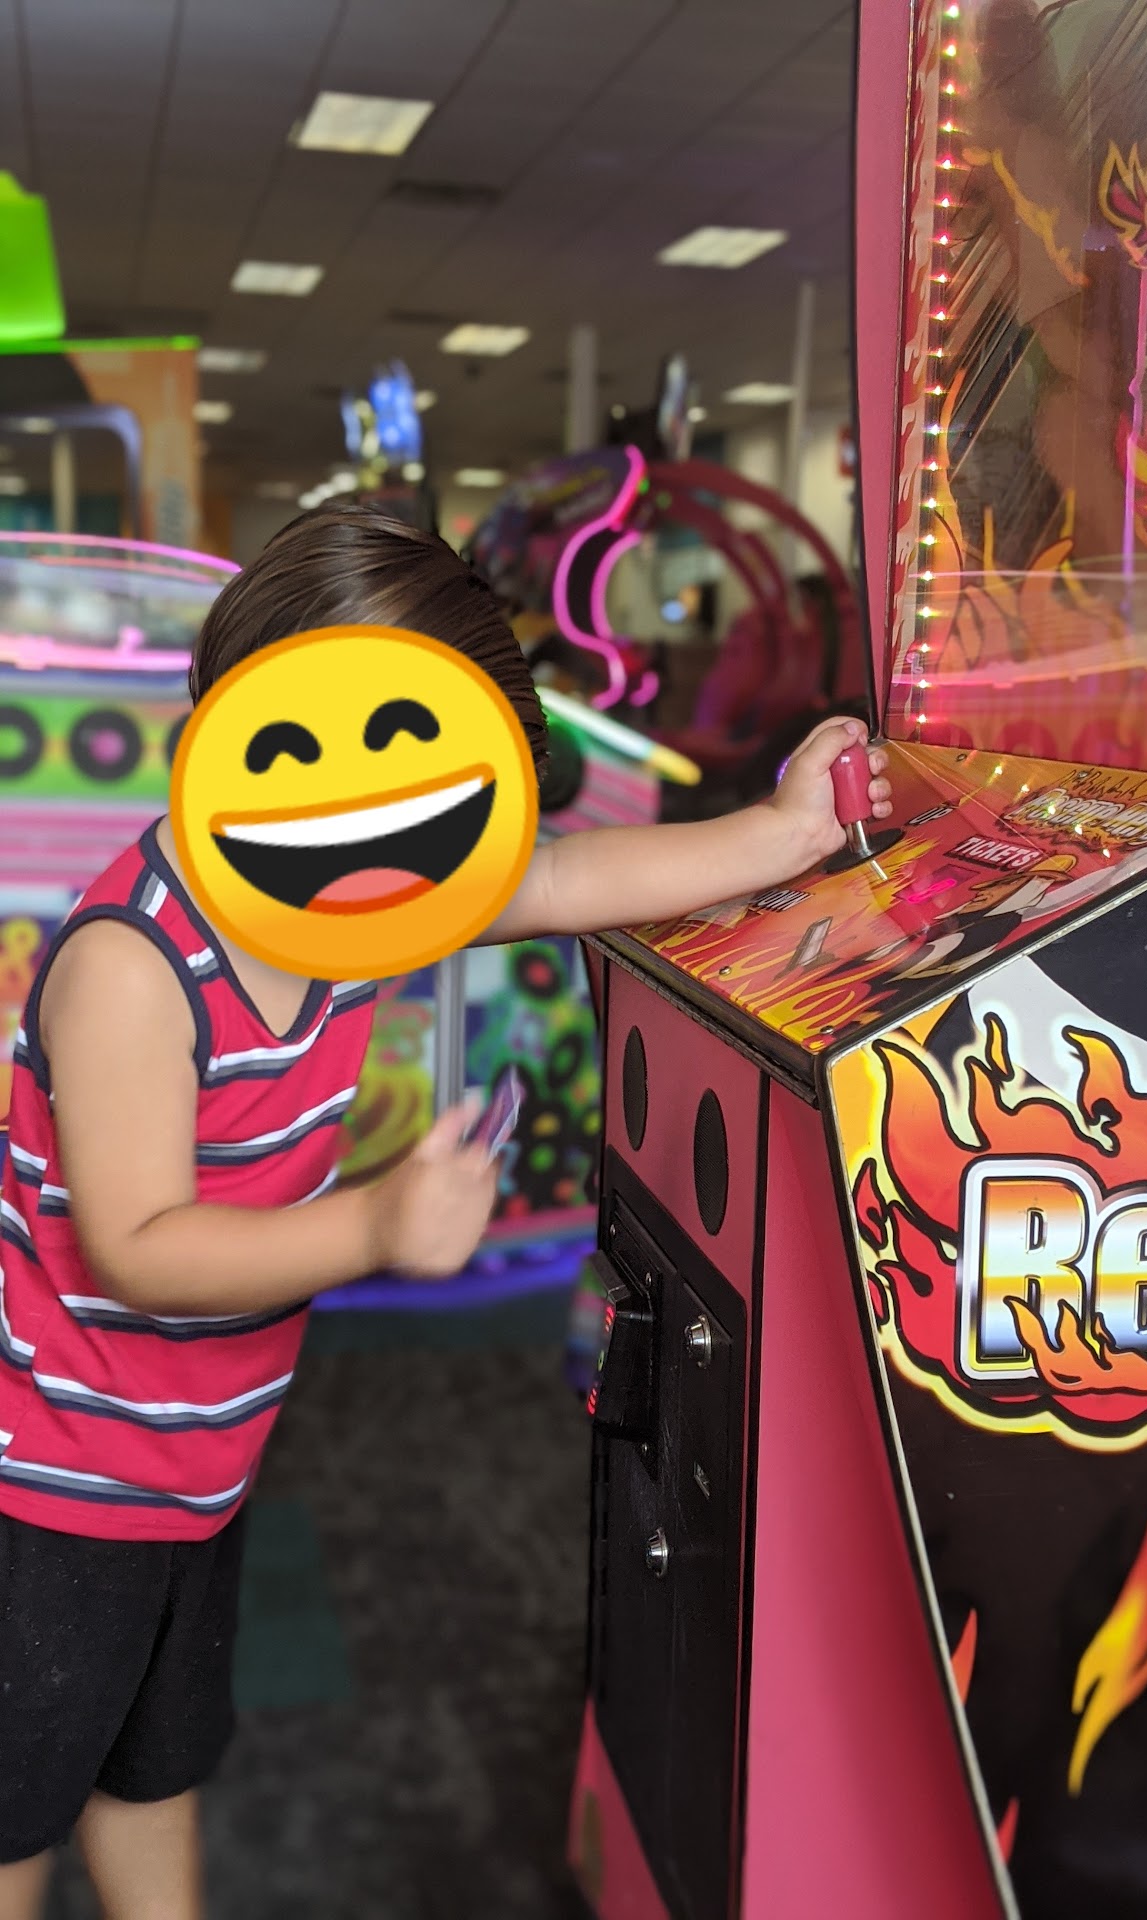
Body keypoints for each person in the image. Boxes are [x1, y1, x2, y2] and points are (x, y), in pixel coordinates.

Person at [0, 503, 892, 1920]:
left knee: (150, 1770)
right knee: (16, 1813)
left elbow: (566, 877)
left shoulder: (356, 898)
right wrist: (372, 1230)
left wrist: (782, 830)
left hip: (192, 1463)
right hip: (55, 1482)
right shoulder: (133, 967)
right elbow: (136, 1243)